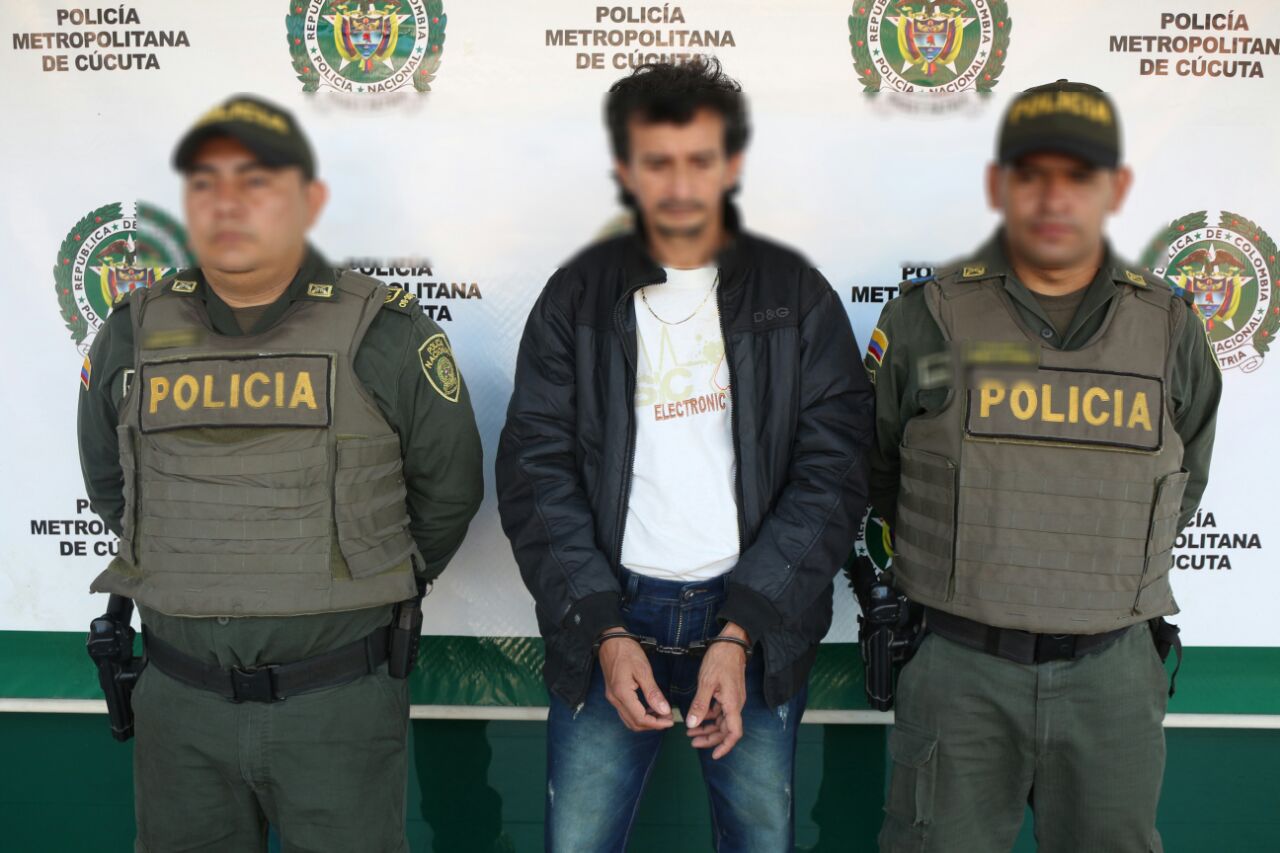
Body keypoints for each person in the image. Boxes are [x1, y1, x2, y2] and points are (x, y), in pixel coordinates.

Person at [77, 94, 484, 852]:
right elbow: (114, 487)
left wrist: (355, 589)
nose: (228, 204)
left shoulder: (385, 334)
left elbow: (449, 492)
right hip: (180, 706)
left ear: (308, 201)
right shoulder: (131, 332)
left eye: (256, 181)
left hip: (334, 705)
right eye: (206, 183)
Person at [496, 59, 874, 852]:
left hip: (755, 626)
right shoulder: (577, 294)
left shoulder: (794, 293)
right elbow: (535, 468)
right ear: (626, 168)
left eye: (699, 160)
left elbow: (834, 471)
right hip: (610, 616)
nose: (678, 183)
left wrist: (742, 631)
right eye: (657, 161)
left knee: (760, 843)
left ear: (732, 164)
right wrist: (602, 625)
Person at [868, 80, 1221, 852]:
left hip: (1113, 678)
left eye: (1079, 175)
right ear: (1000, 184)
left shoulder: (1171, 329)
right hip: (961, 671)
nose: (1054, 196)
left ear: (1115, 188)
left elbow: (1183, 480)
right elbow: (880, 472)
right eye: (1033, 174)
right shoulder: (926, 319)